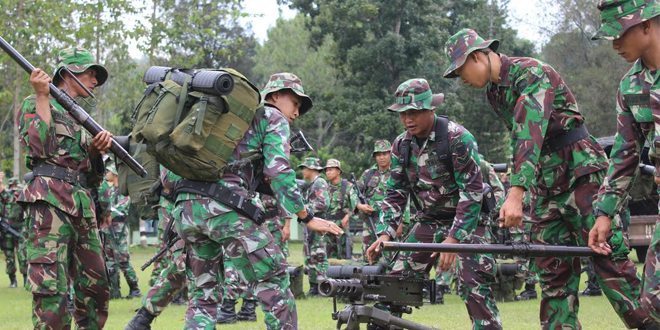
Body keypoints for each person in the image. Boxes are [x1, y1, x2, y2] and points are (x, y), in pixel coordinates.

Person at [444, 28, 653, 328]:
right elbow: (519, 141)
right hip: (545, 186)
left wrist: (515, 194)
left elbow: (531, 130)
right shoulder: (495, 93)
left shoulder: (529, 72)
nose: (461, 80)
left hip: (581, 173)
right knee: (553, 275)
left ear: (477, 56)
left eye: (460, 71)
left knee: (610, 262)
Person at [171, 72, 342, 329]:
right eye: (295, 103)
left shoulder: (225, 119)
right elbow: (279, 172)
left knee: (203, 294)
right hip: (224, 208)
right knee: (273, 280)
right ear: (274, 96)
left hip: (186, 209)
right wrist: (305, 216)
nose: (296, 112)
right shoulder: (272, 117)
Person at [366, 78, 501, 329]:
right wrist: (385, 232)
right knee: (394, 284)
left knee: (473, 283)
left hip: (469, 224)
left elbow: (472, 192)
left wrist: (454, 240)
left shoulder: (457, 138)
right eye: (403, 113)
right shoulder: (401, 145)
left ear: (431, 109)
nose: (408, 119)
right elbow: (395, 193)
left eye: (415, 112)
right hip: (428, 222)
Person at [18, 47, 113, 328]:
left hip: (81, 205)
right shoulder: (34, 102)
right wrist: (41, 95)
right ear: (69, 73)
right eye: (90, 73)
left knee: (97, 285)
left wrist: (97, 152)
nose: (95, 80)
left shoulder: (81, 119)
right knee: (51, 288)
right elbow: (40, 147)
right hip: (49, 201)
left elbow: (92, 178)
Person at [590, 0, 660, 323]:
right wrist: (605, 213)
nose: (615, 44)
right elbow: (624, 156)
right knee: (655, 302)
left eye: (620, 33)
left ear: (646, 25)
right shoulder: (631, 88)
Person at [125, 166, 188, 330]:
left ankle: (142, 319)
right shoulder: (174, 145)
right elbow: (170, 181)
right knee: (185, 264)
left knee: (191, 265)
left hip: (198, 203)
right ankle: (142, 318)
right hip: (178, 205)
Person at [98, 163, 141, 299]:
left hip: (120, 231)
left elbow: (120, 210)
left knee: (123, 261)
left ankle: (135, 289)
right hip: (108, 231)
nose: (106, 174)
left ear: (115, 174)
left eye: (108, 171)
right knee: (109, 261)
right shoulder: (109, 191)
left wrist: (107, 212)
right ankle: (114, 291)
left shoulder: (123, 192)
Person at [298, 157, 330, 295]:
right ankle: (313, 287)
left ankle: (322, 287)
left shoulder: (319, 183)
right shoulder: (310, 185)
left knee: (319, 255)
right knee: (310, 256)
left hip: (318, 224)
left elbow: (323, 203)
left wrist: (305, 208)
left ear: (311, 169)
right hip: (310, 224)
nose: (303, 171)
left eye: (304, 168)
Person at [356, 140, 393, 262]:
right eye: (378, 154)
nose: (381, 157)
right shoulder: (368, 174)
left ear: (390, 154)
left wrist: (404, 221)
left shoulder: (397, 173)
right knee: (369, 257)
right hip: (370, 221)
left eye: (384, 154)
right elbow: (353, 191)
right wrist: (359, 205)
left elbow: (405, 196)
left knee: (390, 258)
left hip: (390, 223)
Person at [324, 158, 358, 259]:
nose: (328, 172)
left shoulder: (348, 186)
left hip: (342, 227)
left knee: (344, 256)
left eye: (331, 169)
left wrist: (347, 216)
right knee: (328, 257)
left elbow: (355, 205)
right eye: (326, 170)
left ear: (338, 171)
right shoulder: (324, 188)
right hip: (327, 227)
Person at [0, 173, 25, 288]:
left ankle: (25, 279)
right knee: (9, 257)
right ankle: (13, 281)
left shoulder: (23, 195)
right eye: (12, 187)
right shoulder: (5, 197)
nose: (15, 189)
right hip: (7, 230)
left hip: (20, 229)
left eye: (16, 186)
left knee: (22, 256)